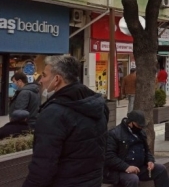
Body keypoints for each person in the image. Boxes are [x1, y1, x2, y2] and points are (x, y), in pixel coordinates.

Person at [23, 56, 108, 187]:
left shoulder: (53, 113)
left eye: (44, 75)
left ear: (57, 79)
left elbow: (43, 166)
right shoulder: (98, 105)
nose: (41, 80)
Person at [104, 110, 169, 187]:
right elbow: (109, 156)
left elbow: (147, 150)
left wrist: (150, 160)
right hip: (120, 170)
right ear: (131, 122)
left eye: (142, 126)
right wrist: (126, 167)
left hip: (139, 167)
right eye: (139, 125)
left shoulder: (141, 133)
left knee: (161, 169)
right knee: (133, 179)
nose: (140, 128)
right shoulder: (114, 133)